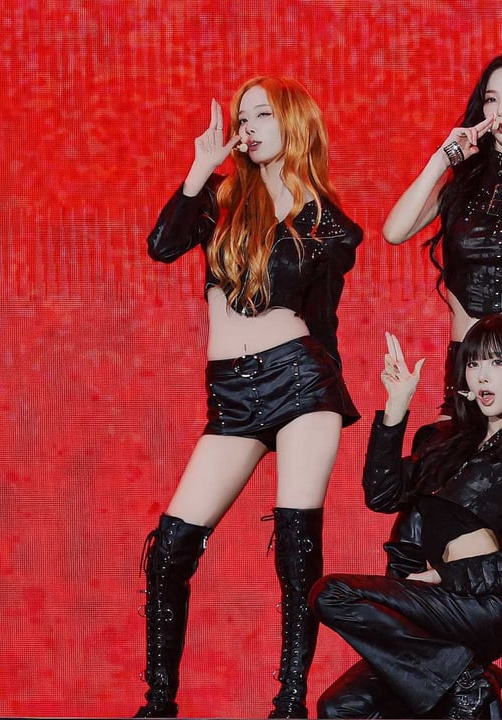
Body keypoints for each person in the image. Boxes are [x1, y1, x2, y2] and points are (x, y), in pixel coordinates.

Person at [136, 76, 362, 719]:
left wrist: (332, 395)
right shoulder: (221, 201)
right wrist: (201, 168)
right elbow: (162, 246)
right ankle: (159, 705)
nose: (248, 127)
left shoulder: (327, 224)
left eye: (262, 115)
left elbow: (323, 319)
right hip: (231, 397)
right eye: (243, 117)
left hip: (299, 381)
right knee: (170, 548)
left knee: (295, 548)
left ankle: (290, 705)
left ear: (293, 122)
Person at [382, 53, 502, 716]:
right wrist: (445, 155)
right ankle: (458, 680)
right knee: (455, 512)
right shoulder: (460, 183)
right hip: (467, 366)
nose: (500, 111)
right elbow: (394, 228)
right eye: (490, 99)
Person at [310, 315, 502, 719]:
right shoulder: (442, 441)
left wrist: (444, 576)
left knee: (332, 592)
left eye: (498, 362)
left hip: (478, 606)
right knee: (339, 707)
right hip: (429, 608)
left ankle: (465, 679)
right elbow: (382, 495)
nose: (483, 375)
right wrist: (396, 406)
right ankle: (465, 677)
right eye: (474, 363)